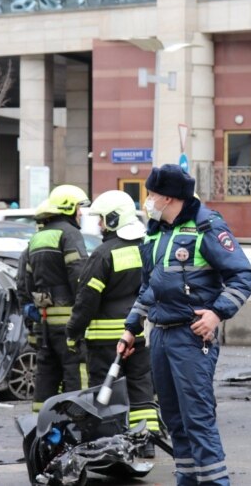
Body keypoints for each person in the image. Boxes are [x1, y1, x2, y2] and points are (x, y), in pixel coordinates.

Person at [118, 164, 251, 486]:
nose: (147, 200)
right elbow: (150, 287)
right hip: (162, 336)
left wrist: (216, 314)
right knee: (175, 419)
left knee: (198, 419)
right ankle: (188, 480)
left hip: (192, 337)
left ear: (167, 197)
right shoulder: (157, 233)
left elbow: (243, 276)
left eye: (151, 194)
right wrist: (131, 327)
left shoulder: (206, 227)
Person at [66, 190, 158, 454]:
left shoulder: (104, 254)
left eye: (103, 219)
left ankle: (110, 445)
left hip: (105, 341)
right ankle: (147, 442)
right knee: (142, 389)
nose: (99, 225)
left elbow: (87, 299)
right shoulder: (146, 246)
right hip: (139, 334)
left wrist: (73, 331)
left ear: (115, 219)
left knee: (105, 393)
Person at [17, 184, 90, 409]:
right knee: (76, 375)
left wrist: (33, 318)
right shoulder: (69, 234)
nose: (80, 213)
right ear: (67, 208)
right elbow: (79, 276)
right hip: (69, 323)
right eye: (78, 208)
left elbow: (23, 284)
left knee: (46, 377)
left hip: (45, 325)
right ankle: (78, 423)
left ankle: (42, 428)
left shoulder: (37, 239)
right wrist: (86, 311)